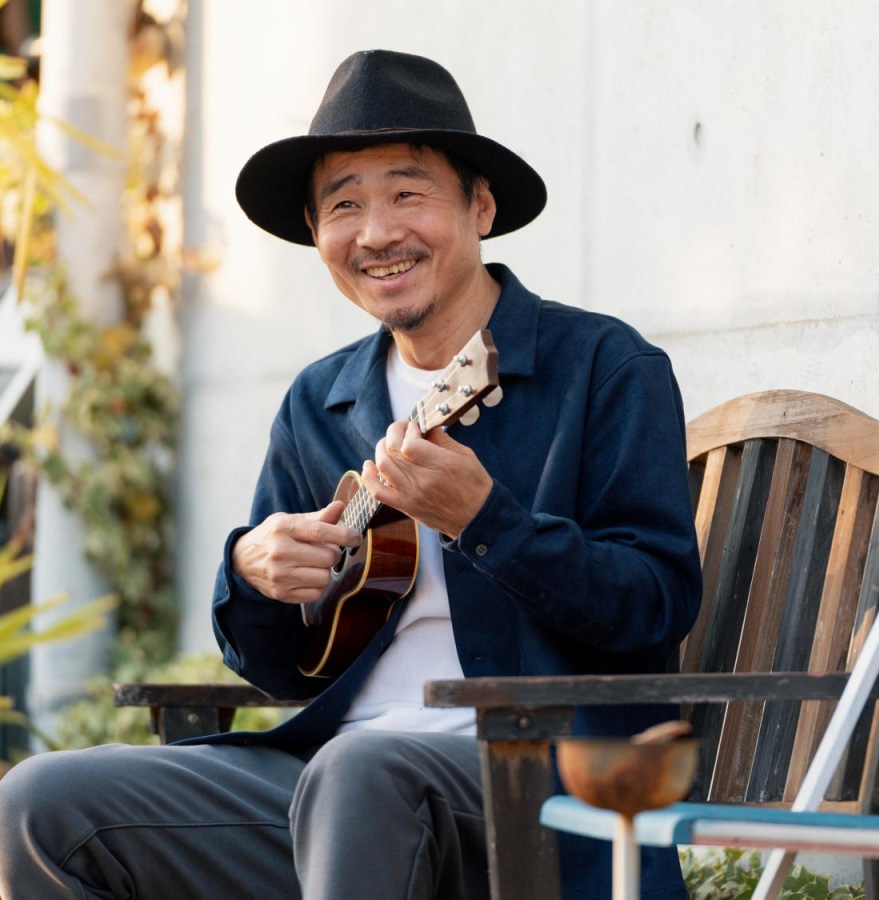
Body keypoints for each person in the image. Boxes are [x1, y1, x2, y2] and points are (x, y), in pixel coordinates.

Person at [0, 49, 702, 899]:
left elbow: (654, 605)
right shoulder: (322, 401)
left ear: (480, 205)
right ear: (316, 230)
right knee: (43, 802)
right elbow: (283, 670)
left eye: (408, 194)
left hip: (536, 783)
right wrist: (256, 575)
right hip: (332, 775)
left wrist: (492, 523)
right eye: (344, 205)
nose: (375, 233)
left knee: (361, 772)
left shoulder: (602, 367)